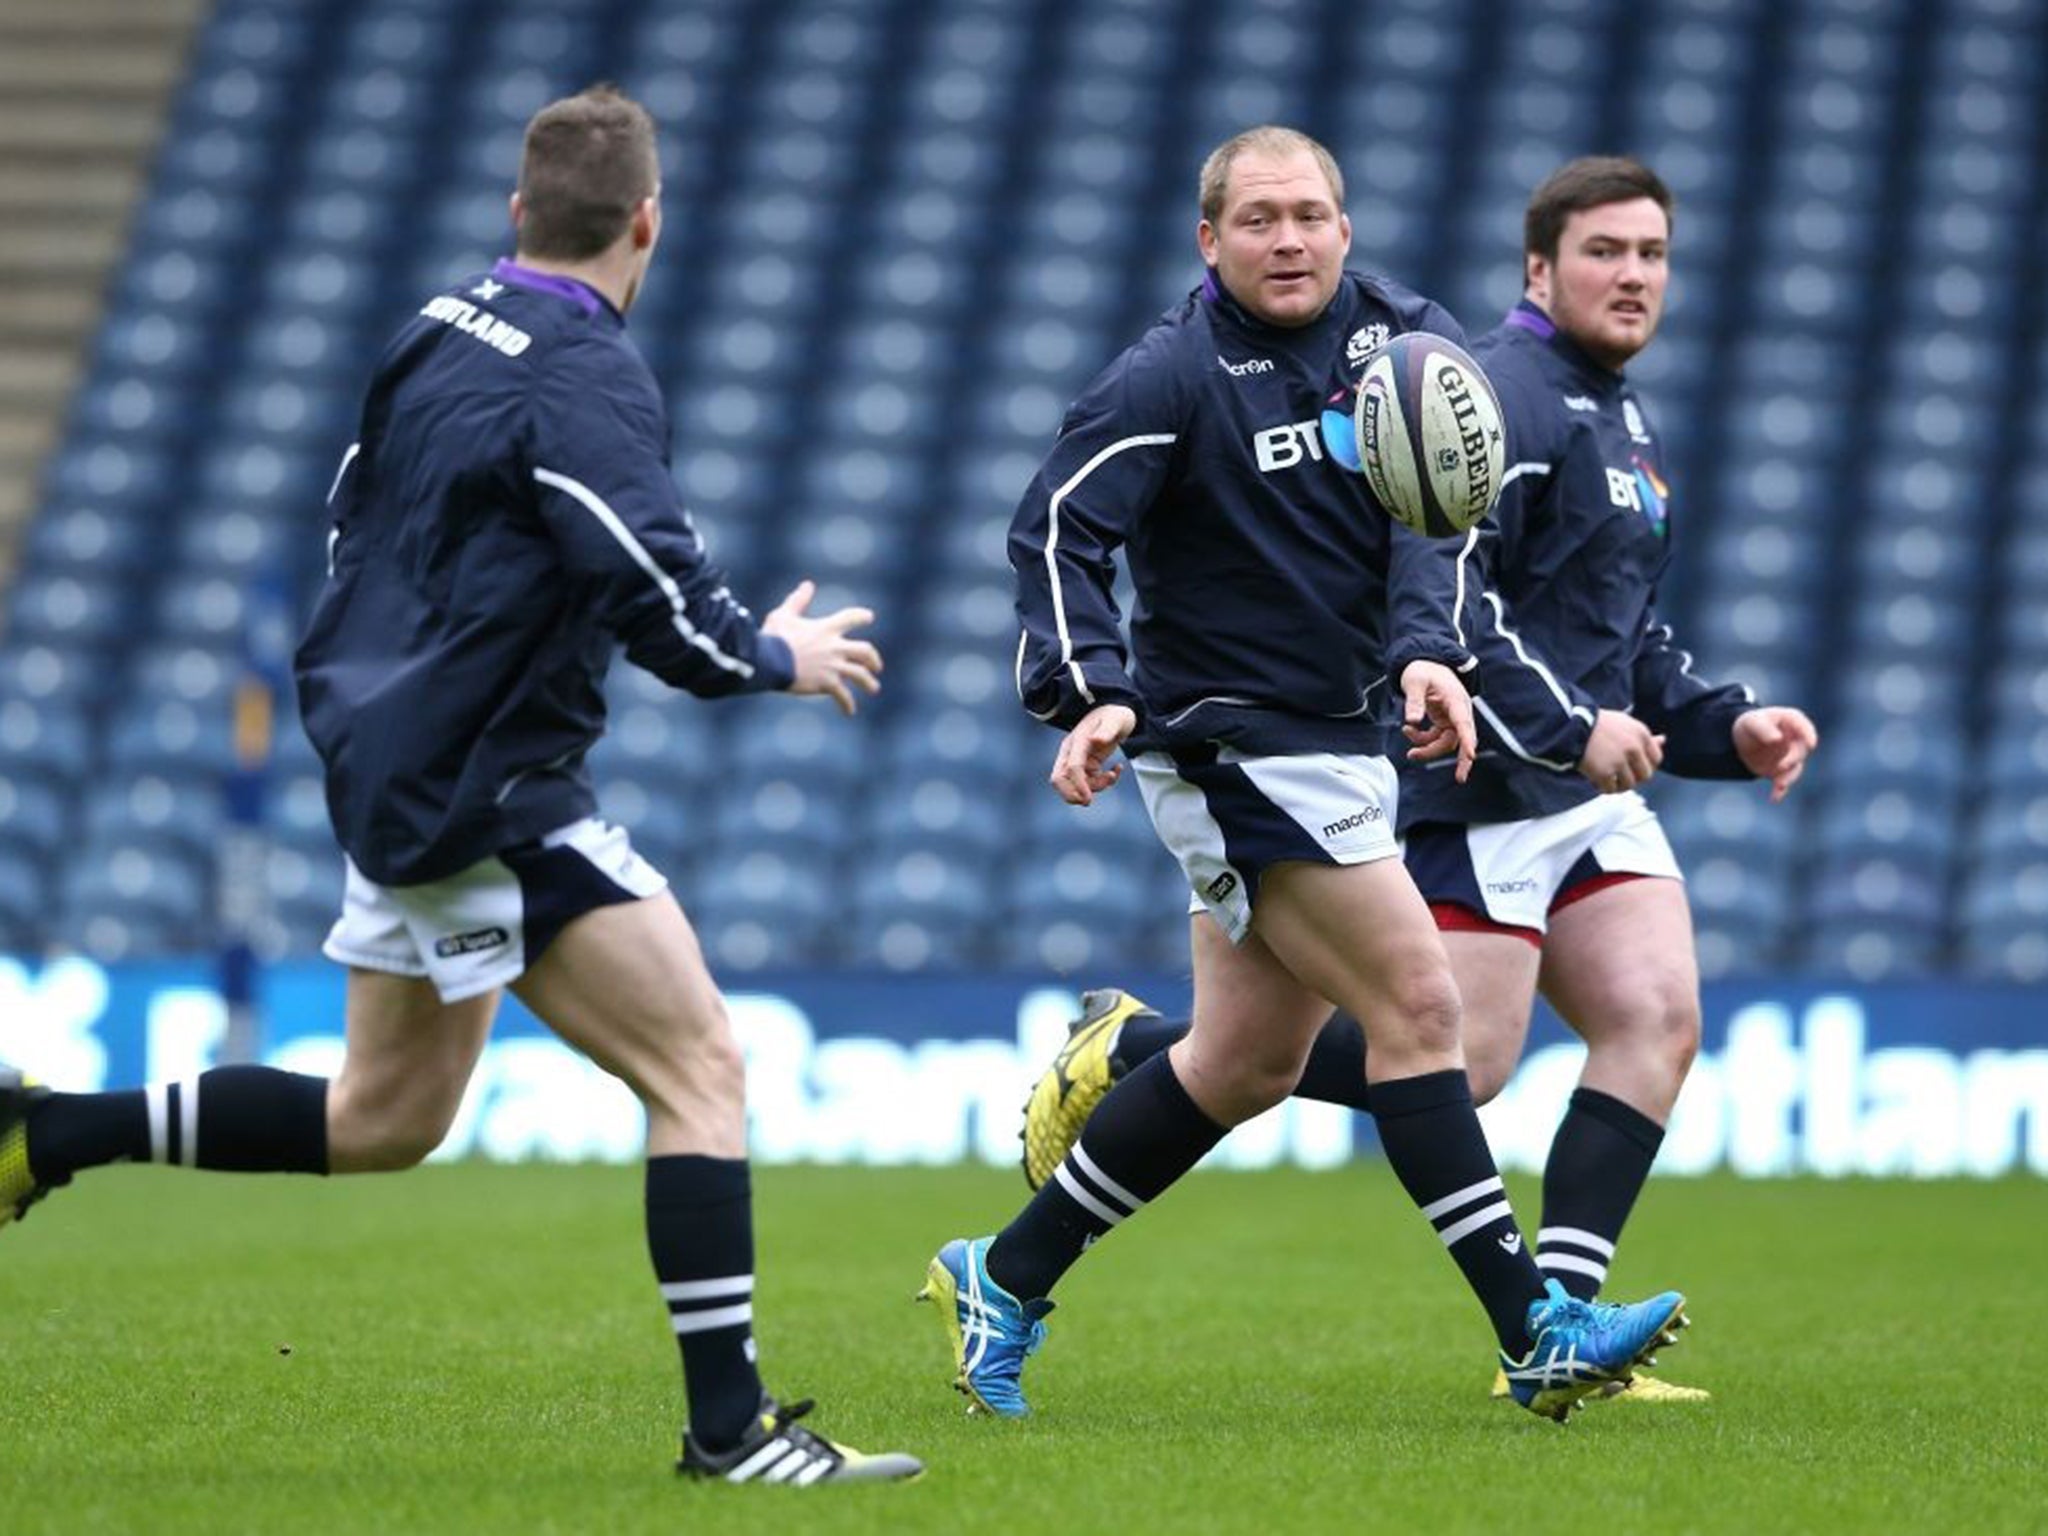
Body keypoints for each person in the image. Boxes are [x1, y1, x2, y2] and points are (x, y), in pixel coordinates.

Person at [0, 85, 920, 1487]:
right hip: (488, 786)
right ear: (648, 224)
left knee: (386, 1119)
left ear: (518, 214)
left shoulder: (438, 326)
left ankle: (47, 1132)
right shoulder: (585, 375)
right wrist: (768, 655)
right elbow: (647, 581)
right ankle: (731, 1436)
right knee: (702, 1068)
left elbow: (352, 511)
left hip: (392, 756)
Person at [1017, 155, 1819, 1405]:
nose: (1632, 275)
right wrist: (1094, 683)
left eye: (1650, 253)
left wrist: (1720, 728)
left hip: (1520, 770)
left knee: (1642, 1018)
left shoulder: (1597, 410)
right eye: (1603, 251)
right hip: (1444, 770)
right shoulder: (1464, 386)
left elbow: (1579, 610)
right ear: (1537, 269)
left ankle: (1557, 1326)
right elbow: (1462, 582)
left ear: (1346, 228)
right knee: (1424, 1041)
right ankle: (1532, 1326)